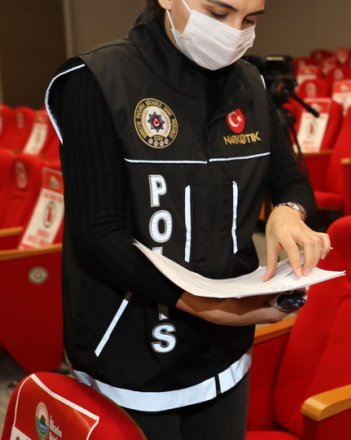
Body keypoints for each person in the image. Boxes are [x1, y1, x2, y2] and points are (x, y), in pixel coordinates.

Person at [45, 0, 330, 438]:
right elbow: (98, 235)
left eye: (250, 20)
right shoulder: (94, 79)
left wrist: (288, 214)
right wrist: (202, 305)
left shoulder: (250, 82)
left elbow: (291, 183)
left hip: (228, 358)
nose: (235, 32)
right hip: (130, 361)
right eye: (219, 14)